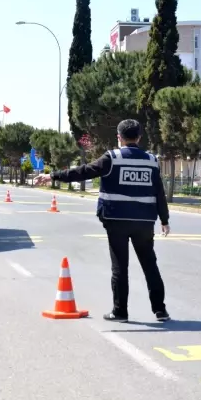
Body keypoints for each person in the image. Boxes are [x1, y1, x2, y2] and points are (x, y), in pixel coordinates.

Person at [34, 119, 171, 323]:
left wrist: (53, 176)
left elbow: (83, 171)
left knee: (120, 267)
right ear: (139, 137)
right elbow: (159, 192)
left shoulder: (112, 158)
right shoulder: (151, 161)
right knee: (150, 264)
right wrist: (164, 219)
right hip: (144, 221)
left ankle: (120, 311)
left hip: (116, 220)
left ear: (119, 137)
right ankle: (160, 310)